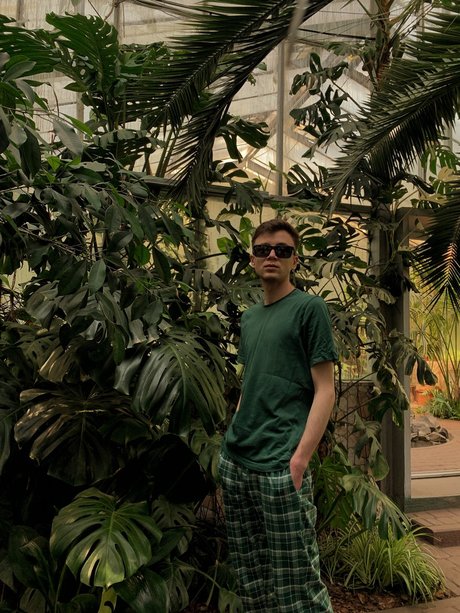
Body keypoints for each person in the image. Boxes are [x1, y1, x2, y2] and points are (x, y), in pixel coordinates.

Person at [219, 218, 337, 613]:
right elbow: (251, 381)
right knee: (251, 582)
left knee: (298, 587)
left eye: (282, 250)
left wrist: (300, 460)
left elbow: (325, 389)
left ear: (294, 260)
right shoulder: (250, 318)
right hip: (237, 461)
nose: (272, 255)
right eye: (263, 249)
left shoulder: (309, 309)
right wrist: (232, 437)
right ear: (252, 259)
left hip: (280, 466)